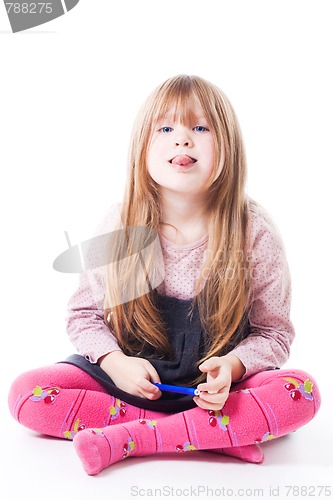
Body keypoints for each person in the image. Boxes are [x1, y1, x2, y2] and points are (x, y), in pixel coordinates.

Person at [8, 75, 321, 475]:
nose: (183, 139)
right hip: (128, 386)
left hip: (217, 395)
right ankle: (210, 436)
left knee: (300, 392)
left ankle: (135, 437)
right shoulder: (121, 225)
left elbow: (273, 333)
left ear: (228, 146)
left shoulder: (252, 231)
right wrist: (114, 361)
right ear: (143, 147)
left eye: (200, 127)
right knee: (27, 394)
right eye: (166, 128)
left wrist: (232, 367)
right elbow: (83, 314)